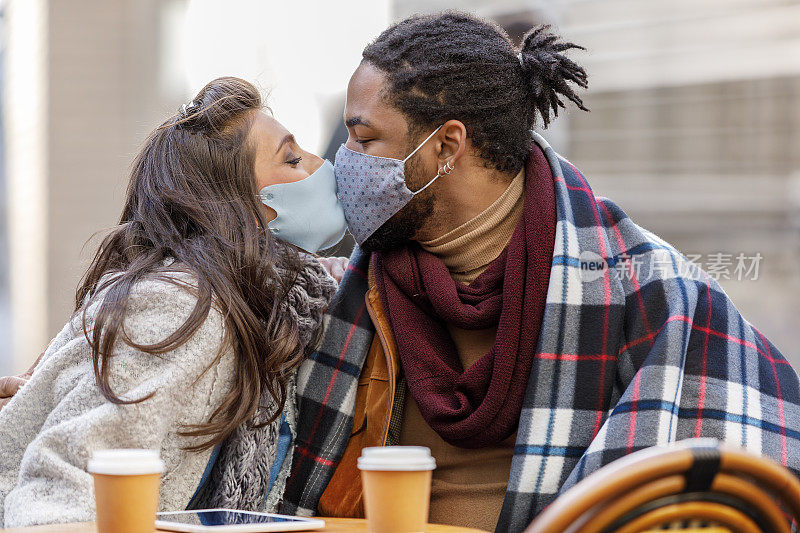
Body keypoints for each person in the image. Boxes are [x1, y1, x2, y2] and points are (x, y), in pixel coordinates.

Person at [276, 12, 800, 533]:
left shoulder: (654, 292)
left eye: (365, 140)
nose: (344, 160)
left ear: (447, 146)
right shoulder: (347, 291)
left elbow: (769, 475)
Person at [0, 77, 344, 528]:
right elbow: (68, 490)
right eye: (292, 159)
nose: (323, 166)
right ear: (237, 205)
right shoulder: (183, 306)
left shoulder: (274, 304)